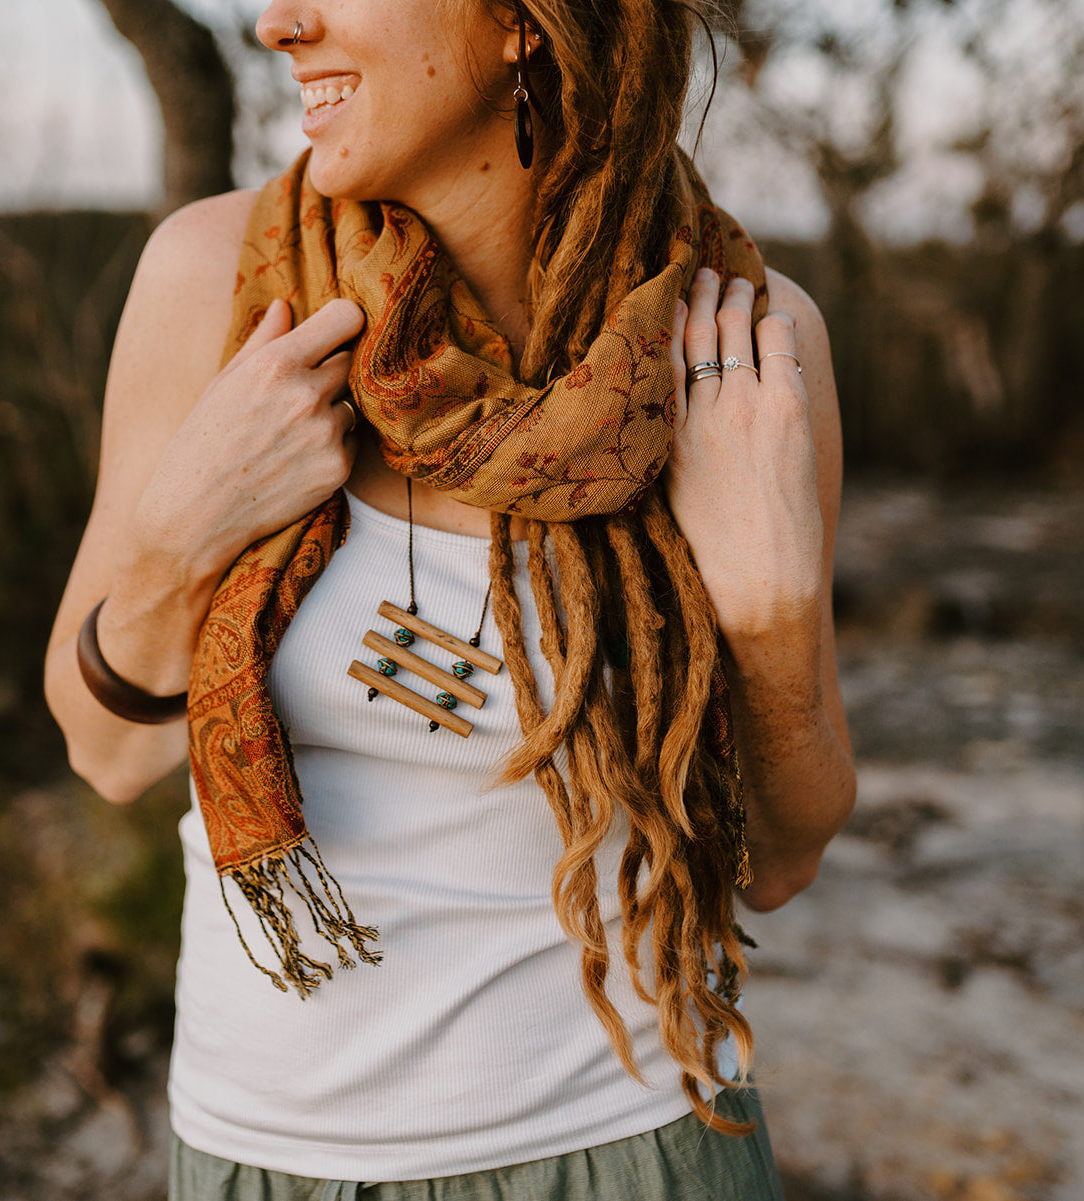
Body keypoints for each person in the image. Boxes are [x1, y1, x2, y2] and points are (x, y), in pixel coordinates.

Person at [46, 0, 856, 1196]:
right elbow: (106, 751)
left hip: (632, 1146)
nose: (277, 23)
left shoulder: (738, 341)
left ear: (522, 22)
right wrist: (183, 532)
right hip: (261, 1158)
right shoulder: (220, 282)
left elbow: (779, 860)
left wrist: (769, 614)